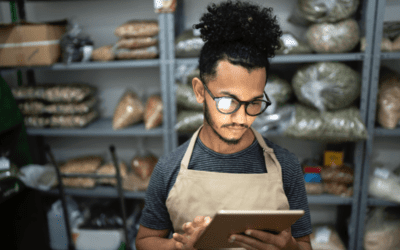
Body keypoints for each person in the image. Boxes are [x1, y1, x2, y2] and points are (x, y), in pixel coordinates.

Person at [135, 1, 312, 249]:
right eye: (228, 101)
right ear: (199, 91)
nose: (242, 118)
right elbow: (144, 242)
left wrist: (289, 247)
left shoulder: (287, 166)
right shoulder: (169, 168)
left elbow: (304, 244)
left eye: (254, 102)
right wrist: (178, 247)